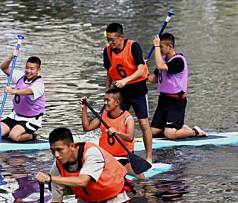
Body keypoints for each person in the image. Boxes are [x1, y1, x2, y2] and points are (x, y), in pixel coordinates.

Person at [103, 23, 154, 163]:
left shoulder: (133, 46)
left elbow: (141, 70)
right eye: (108, 39)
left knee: (143, 124)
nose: (110, 43)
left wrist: (126, 80)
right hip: (120, 92)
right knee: (117, 123)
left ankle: (149, 158)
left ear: (121, 37)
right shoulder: (107, 51)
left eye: (112, 39)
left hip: (137, 89)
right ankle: (119, 155)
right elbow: (109, 72)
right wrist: (107, 92)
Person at [148, 33, 207, 139]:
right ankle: (179, 126)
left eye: (161, 47)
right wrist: (142, 70)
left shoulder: (178, 61)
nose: (159, 49)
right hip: (163, 100)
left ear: (170, 46)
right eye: (159, 47)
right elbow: (153, 79)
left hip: (176, 102)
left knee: (169, 134)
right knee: (152, 132)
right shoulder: (164, 61)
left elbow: (161, 66)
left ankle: (195, 131)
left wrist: (156, 46)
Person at [80, 90, 144, 179]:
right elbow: (87, 127)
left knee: (141, 177)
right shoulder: (103, 116)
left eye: (108, 100)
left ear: (117, 102)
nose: (105, 103)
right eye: (104, 100)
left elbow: (130, 137)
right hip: (105, 158)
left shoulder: (128, 118)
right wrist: (84, 109)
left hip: (123, 158)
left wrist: (116, 132)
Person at [0, 51, 46, 142]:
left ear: (38, 70)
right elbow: (4, 68)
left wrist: (13, 91)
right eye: (27, 68)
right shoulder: (20, 76)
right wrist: (12, 56)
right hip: (15, 116)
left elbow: (27, 91)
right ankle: (9, 133)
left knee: (14, 136)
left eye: (32, 69)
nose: (28, 71)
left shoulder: (39, 84)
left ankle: (33, 136)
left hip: (31, 120)